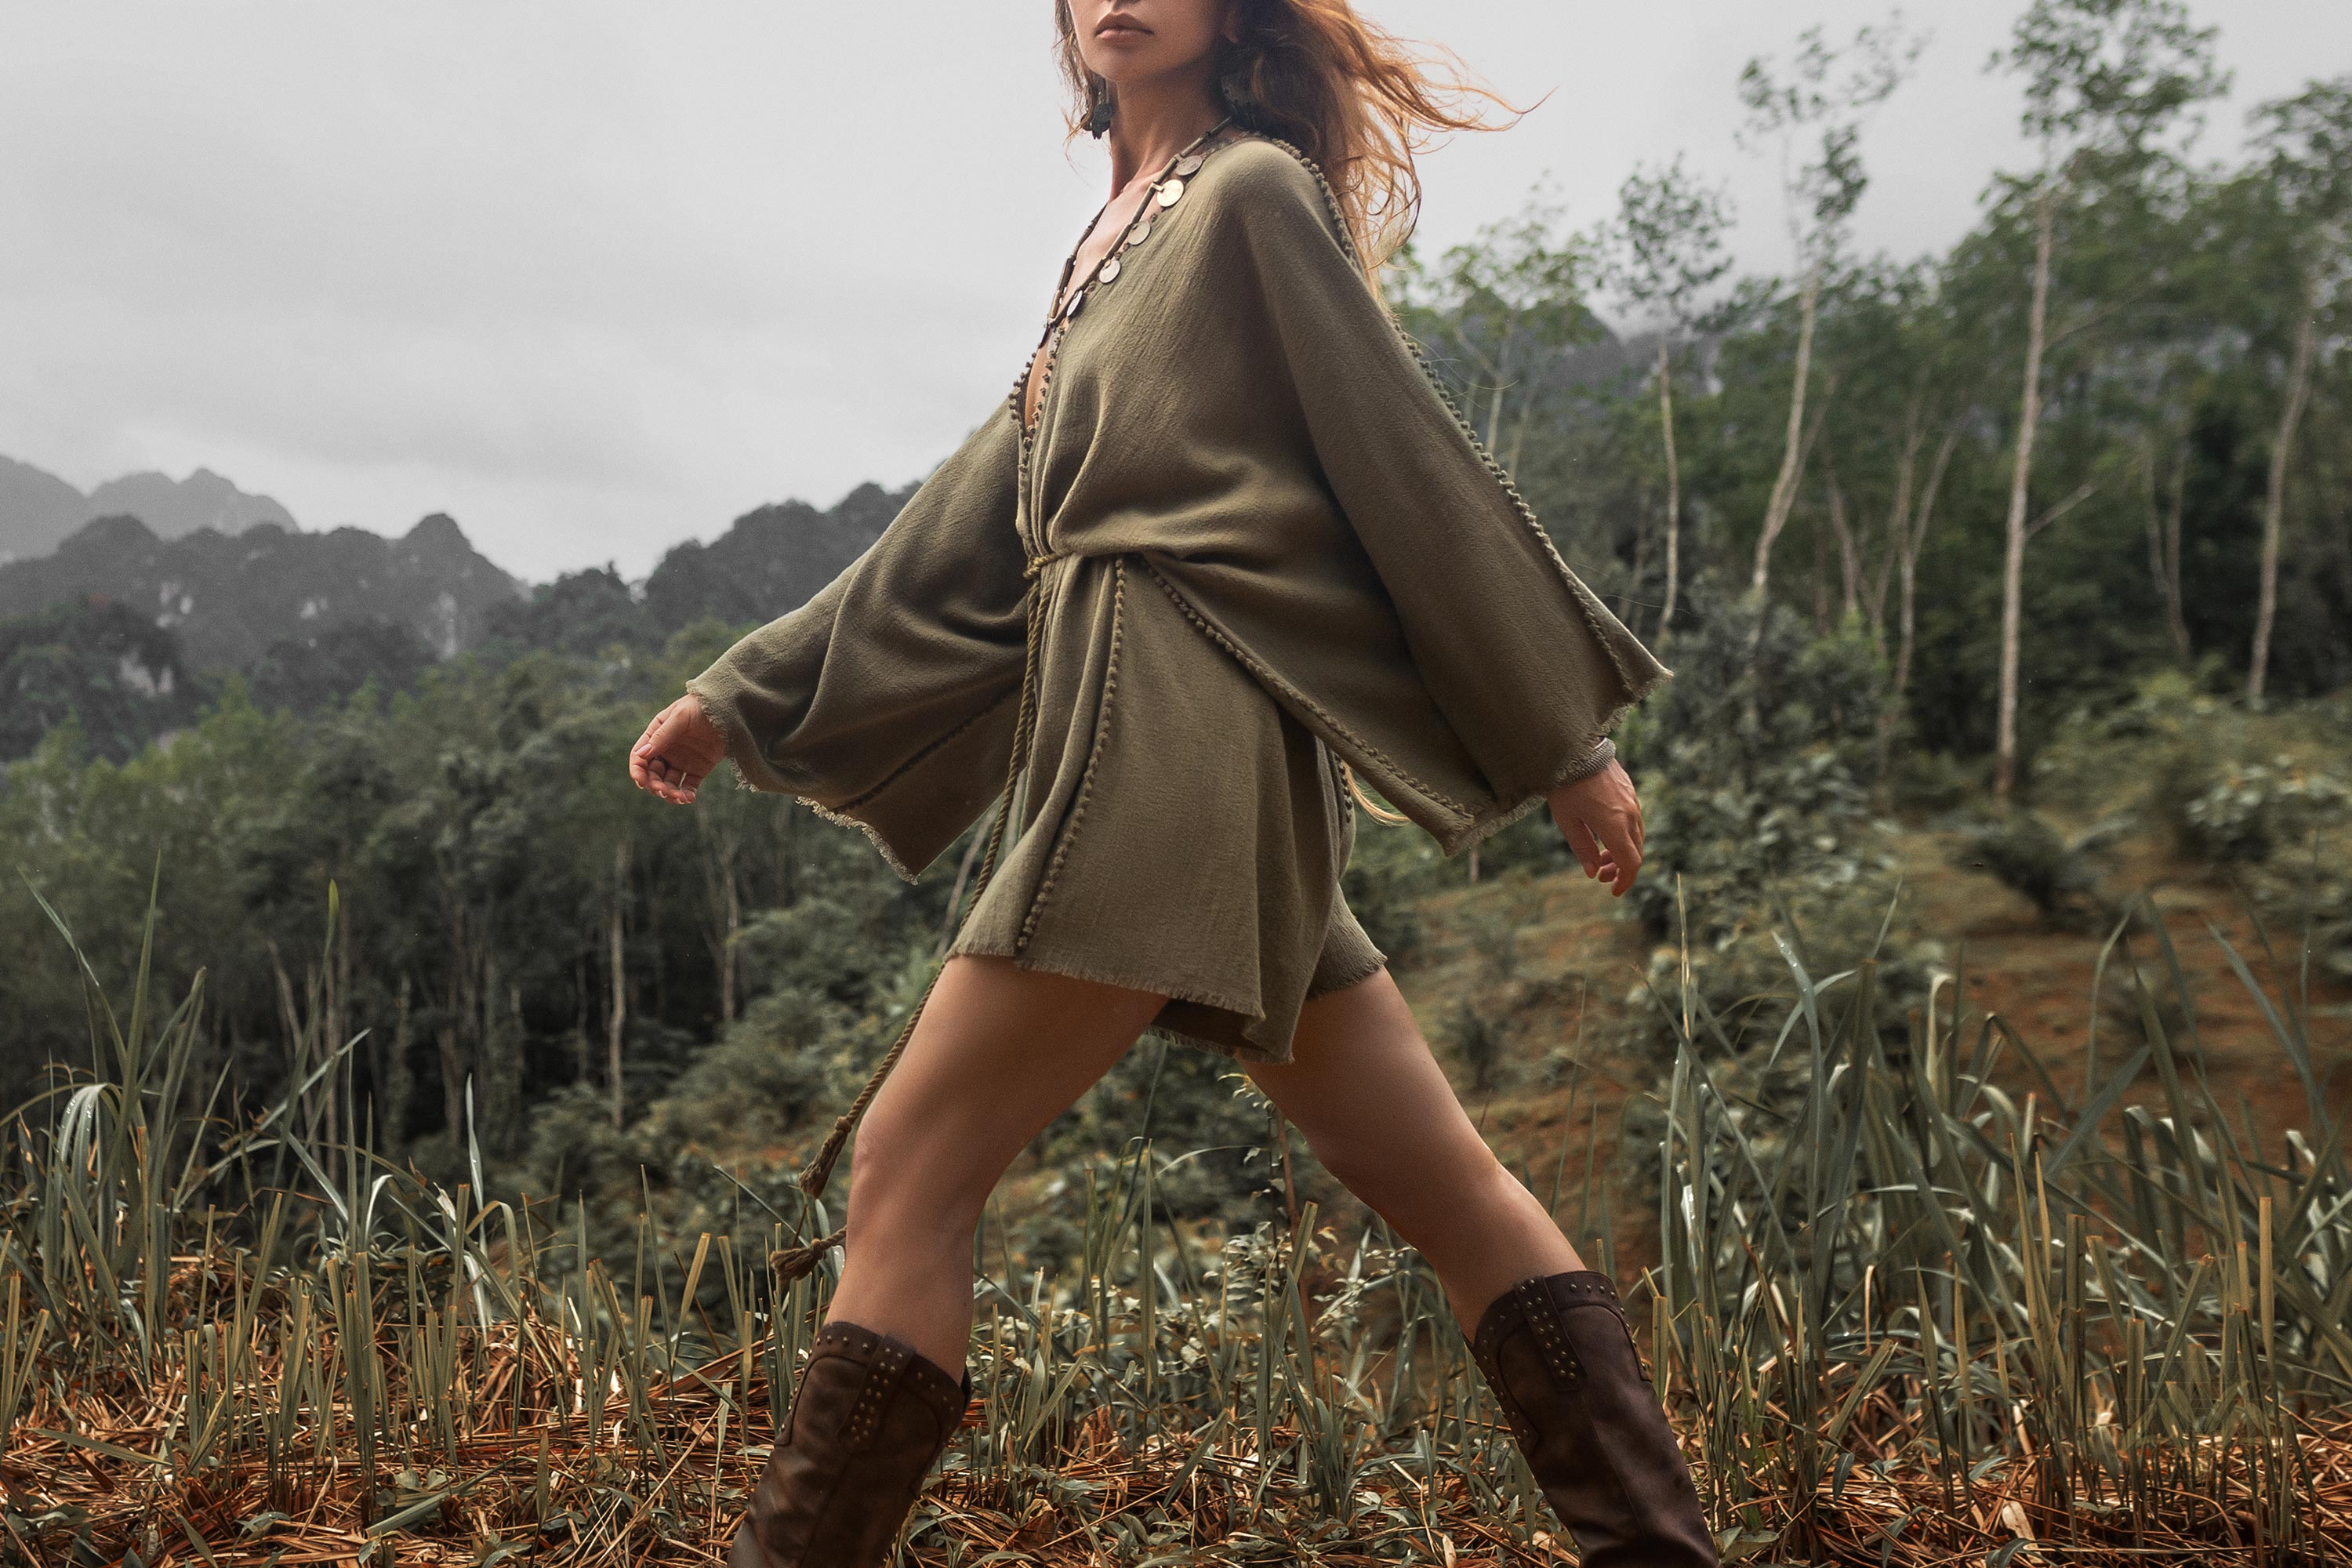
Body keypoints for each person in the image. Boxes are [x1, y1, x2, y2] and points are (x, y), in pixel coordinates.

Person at [629, 3, 1717, 1565]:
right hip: (1192, 770)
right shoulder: (1110, 245)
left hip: (1170, 736)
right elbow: (980, 513)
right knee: (1443, 1177)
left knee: (908, 1171)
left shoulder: (1251, 195)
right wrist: (742, 691)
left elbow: (1402, 454)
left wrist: (1568, 739)